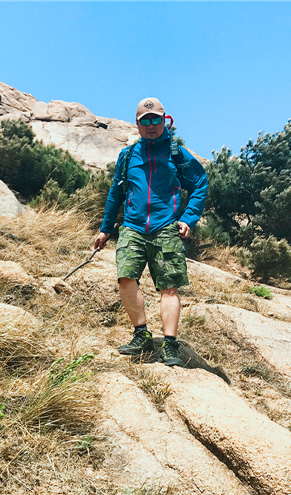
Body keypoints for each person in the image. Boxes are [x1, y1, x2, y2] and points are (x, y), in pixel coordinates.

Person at [94, 97, 208, 366]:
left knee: (169, 288)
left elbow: (200, 184)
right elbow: (116, 193)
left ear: (165, 120)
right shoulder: (128, 156)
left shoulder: (177, 154)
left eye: (156, 119)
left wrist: (188, 218)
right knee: (125, 278)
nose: (151, 125)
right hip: (132, 227)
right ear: (137, 124)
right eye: (145, 121)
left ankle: (170, 345)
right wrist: (105, 229)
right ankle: (141, 334)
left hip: (165, 227)